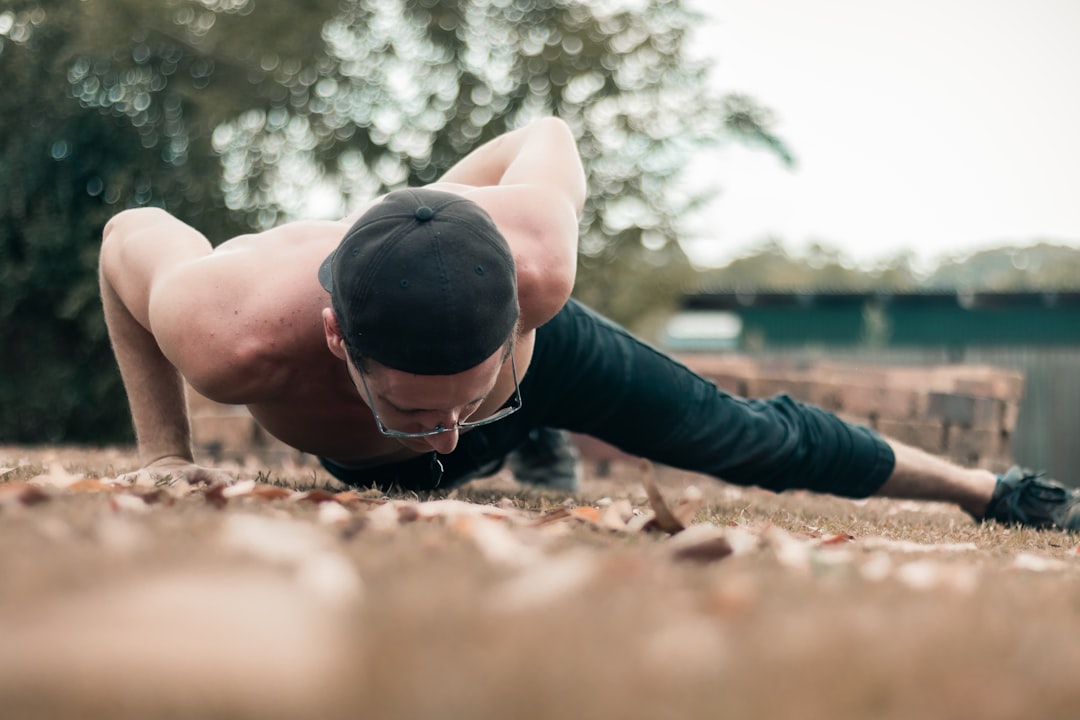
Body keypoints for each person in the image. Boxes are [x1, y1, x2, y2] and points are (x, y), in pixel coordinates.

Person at [99, 117, 1080, 531]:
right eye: (411, 409)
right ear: (335, 342)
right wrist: (160, 450)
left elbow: (547, 133)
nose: (445, 432)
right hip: (382, 438)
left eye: (460, 401)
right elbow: (123, 237)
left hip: (543, 374)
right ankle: (486, 420)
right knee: (439, 458)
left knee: (744, 439)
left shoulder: (536, 260)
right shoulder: (224, 327)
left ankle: (997, 489)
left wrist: (434, 227)